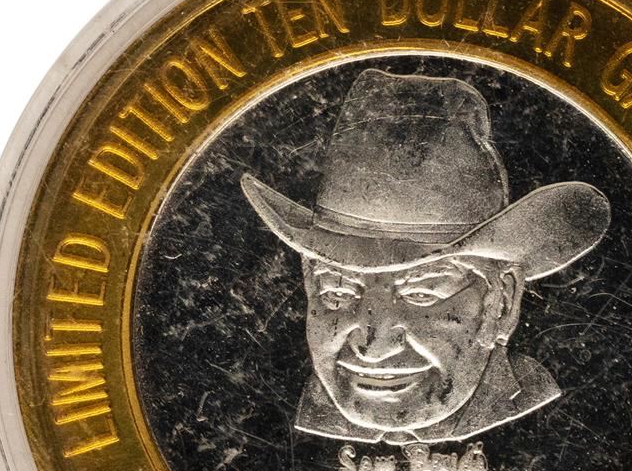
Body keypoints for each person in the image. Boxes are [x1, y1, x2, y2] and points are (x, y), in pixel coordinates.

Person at [241, 68, 610, 444]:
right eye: (338, 291)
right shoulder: (263, 430)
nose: (373, 347)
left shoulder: (561, 428)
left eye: (420, 293)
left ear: (501, 303)